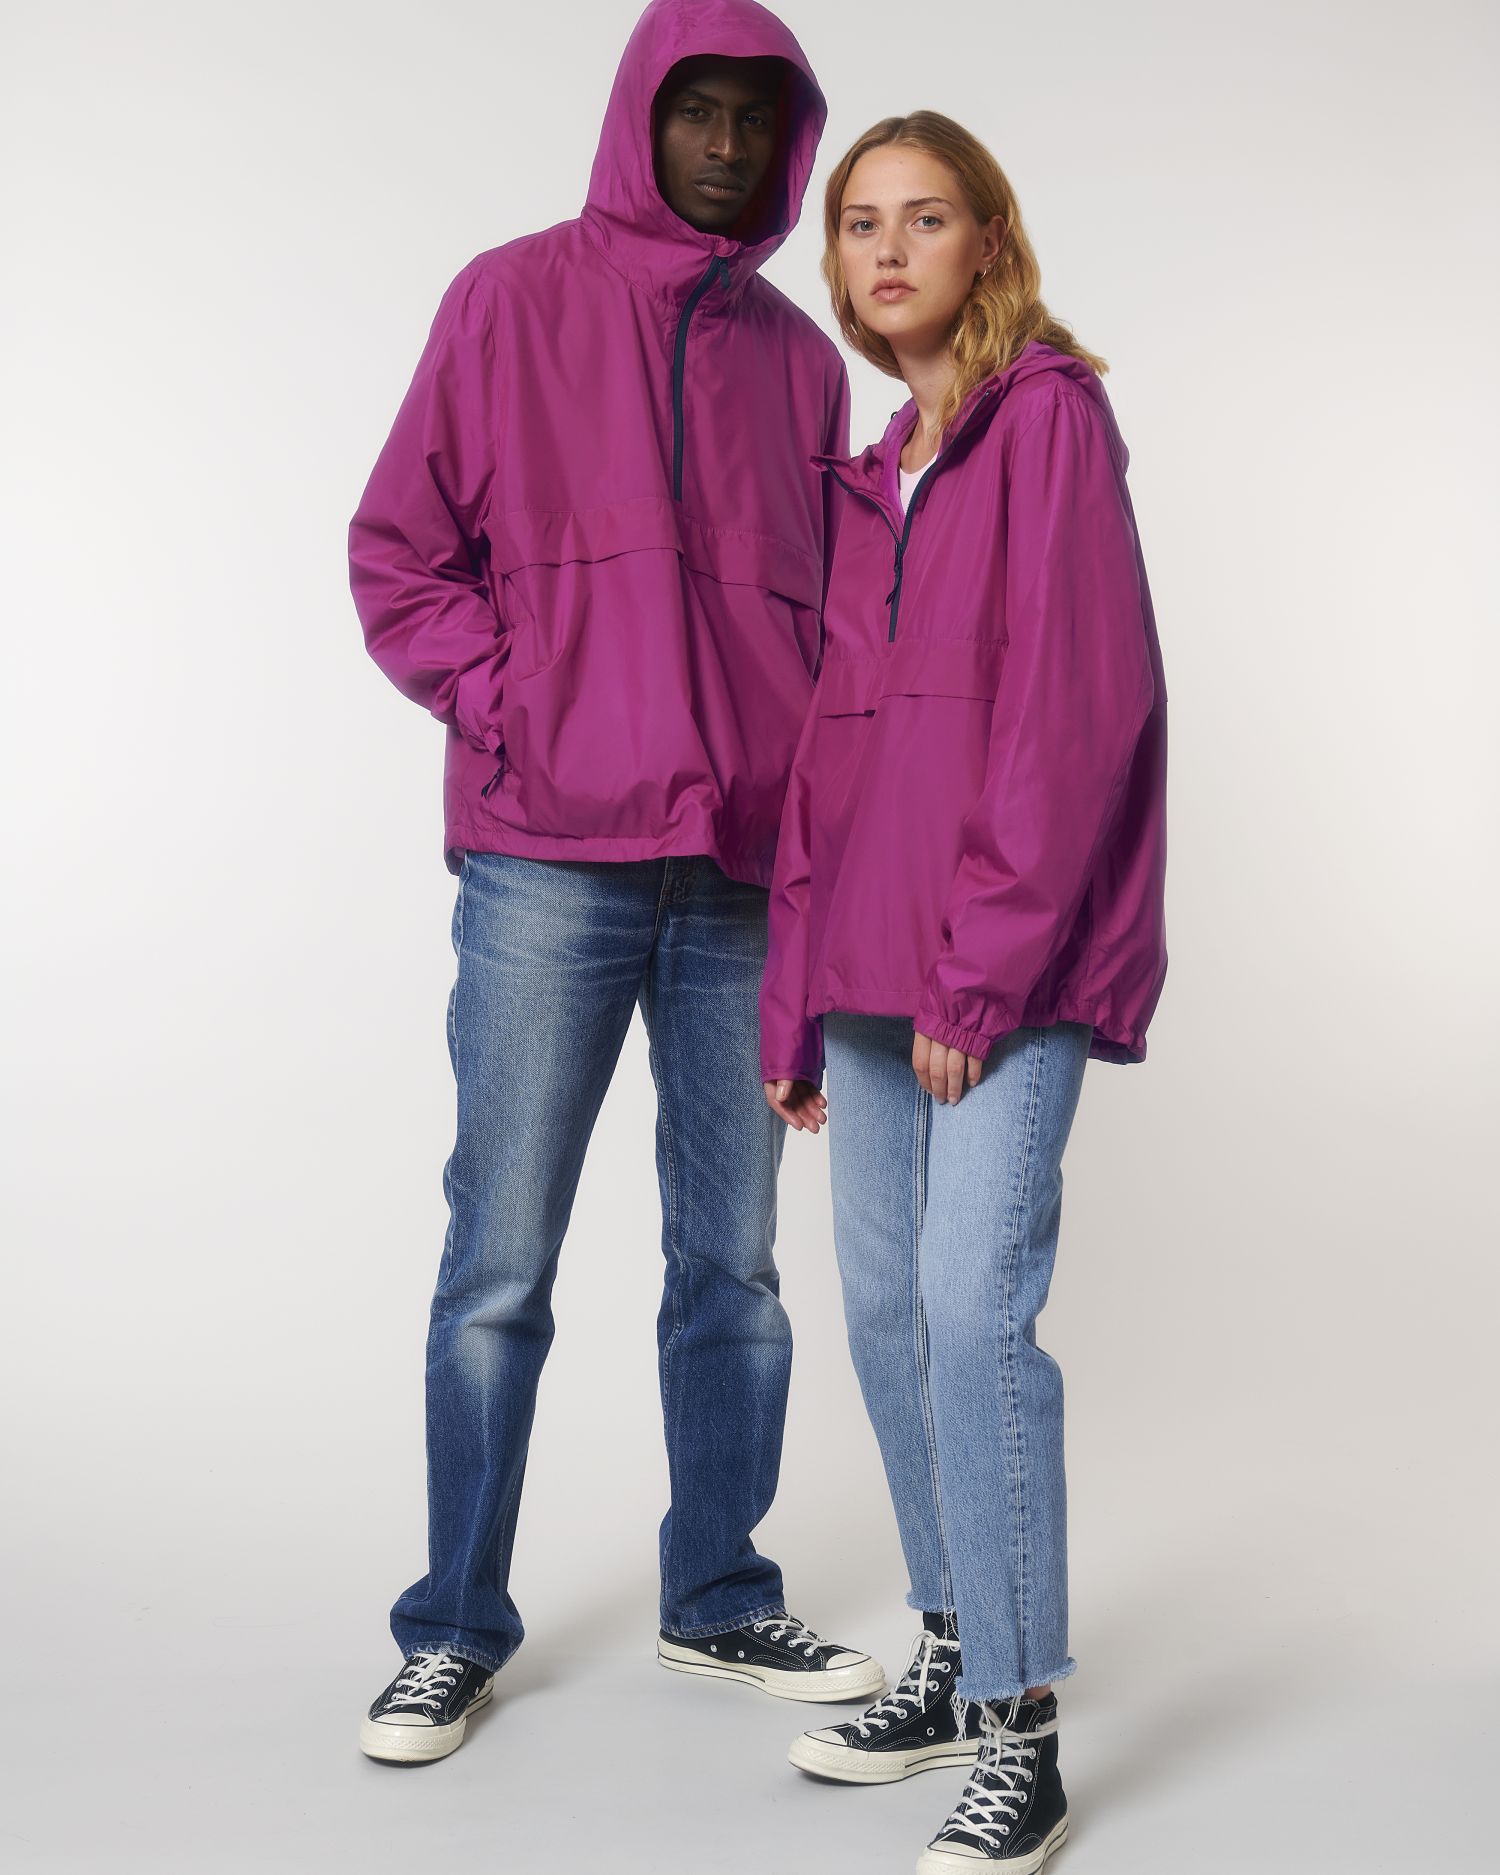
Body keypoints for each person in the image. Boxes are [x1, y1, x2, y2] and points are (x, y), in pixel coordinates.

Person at [347, 0, 884, 1767]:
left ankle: (718, 1596)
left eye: (757, 118)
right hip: (545, 862)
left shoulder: (799, 361)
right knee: (499, 1261)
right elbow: (399, 554)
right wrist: (521, 709)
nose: (726, 146)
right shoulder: (509, 300)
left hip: (740, 877)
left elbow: (840, 628)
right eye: (695, 110)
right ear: (639, 119)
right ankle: (451, 1628)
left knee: (735, 1264)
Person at [758, 112, 1168, 1872]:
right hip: (866, 971)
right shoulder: (878, 471)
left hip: (999, 969)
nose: (889, 250)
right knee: (882, 1312)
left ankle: (1019, 1727)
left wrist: (982, 974)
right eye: (862, 223)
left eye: (927, 219)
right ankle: (947, 1642)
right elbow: (831, 762)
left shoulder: (1048, 423)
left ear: (988, 240)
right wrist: (794, 1000)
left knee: (970, 1312)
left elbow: (1077, 714)